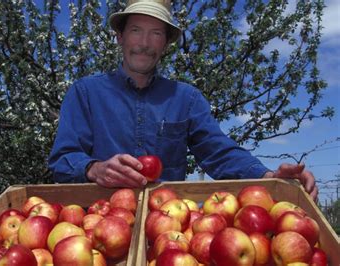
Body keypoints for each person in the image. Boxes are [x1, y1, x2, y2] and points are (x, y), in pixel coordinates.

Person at [48, 0, 318, 200]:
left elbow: (219, 152)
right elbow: (63, 159)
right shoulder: (85, 93)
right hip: (99, 219)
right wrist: (94, 169)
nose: (144, 42)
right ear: (120, 36)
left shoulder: (186, 99)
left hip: (167, 223)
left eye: (156, 33)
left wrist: (269, 177)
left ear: (165, 43)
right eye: (136, 30)